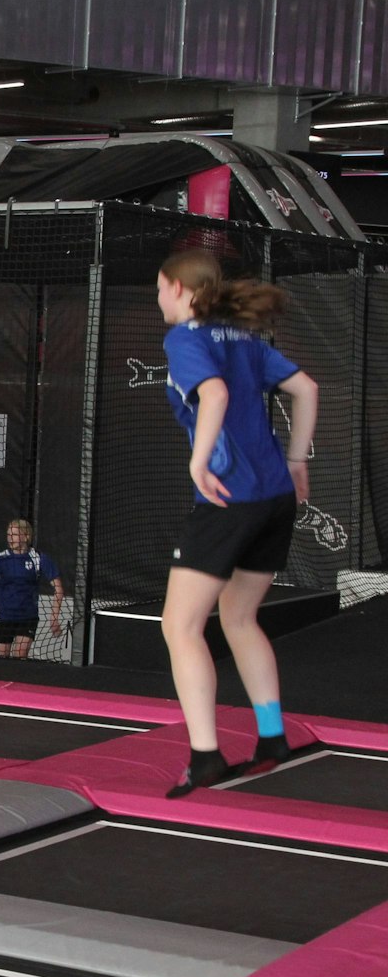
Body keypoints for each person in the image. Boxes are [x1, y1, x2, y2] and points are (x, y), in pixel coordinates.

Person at [155, 249, 318, 797]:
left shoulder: (185, 339)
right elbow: (307, 389)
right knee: (240, 617)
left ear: (179, 289)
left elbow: (215, 394)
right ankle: (272, 737)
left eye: (159, 288)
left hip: (230, 499)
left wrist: (198, 461)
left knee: (179, 626)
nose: (157, 299)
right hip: (275, 496)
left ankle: (205, 758)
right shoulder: (245, 339)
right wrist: (296, 461)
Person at [0, 518, 64, 659]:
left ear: (26, 537)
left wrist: (54, 617)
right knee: (2, 659)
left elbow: (59, 589)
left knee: (20, 657)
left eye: (14, 535)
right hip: (4, 617)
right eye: (8, 535)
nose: (10, 539)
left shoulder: (39, 558)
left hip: (28, 617)